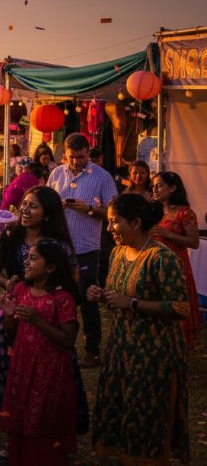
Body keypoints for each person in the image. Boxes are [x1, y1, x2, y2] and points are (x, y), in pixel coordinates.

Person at [0, 187, 89, 463]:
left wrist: (48, 303)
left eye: (33, 206)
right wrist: (11, 286)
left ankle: (50, 438)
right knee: (13, 376)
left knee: (47, 384)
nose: (25, 211)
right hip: (14, 310)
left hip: (48, 319)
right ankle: (14, 437)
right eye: (24, 205)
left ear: (48, 213)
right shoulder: (9, 233)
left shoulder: (57, 246)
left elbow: (71, 280)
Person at [87, 194, 190, 464]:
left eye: (114, 222)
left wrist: (132, 303)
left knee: (149, 415)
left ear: (135, 222)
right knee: (122, 409)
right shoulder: (118, 252)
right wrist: (102, 294)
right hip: (121, 348)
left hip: (154, 353)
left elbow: (181, 307)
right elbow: (117, 295)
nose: (109, 229)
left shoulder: (161, 258)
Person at [0, 238, 82, 466]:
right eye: (27, 257)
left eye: (33, 258)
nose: (26, 262)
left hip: (50, 369)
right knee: (21, 413)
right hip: (23, 364)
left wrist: (37, 320)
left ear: (51, 267)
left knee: (42, 416)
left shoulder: (62, 299)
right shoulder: (21, 290)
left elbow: (68, 340)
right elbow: (11, 330)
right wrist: (8, 314)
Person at [47, 133, 117, 368]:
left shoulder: (102, 177)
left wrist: (88, 209)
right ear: (64, 154)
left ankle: (92, 349)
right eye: (71, 157)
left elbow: (112, 212)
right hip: (59, 247)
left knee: (88, 298)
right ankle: (57, 345)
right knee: (57, 296)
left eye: (80, 157)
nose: (76, 162)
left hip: (87, 248)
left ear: (89, 153)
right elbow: (46, 203)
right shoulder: (57, 173)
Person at [151, 171, 201, 349]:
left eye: (160, 185)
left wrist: (168, 234)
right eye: (154, 185)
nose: (155, 189)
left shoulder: (185, 213)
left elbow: (194, 243)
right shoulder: (153, 210)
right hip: (154, 264)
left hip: (177, 265)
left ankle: (178, 342)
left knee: (175, 301)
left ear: (172, 188)